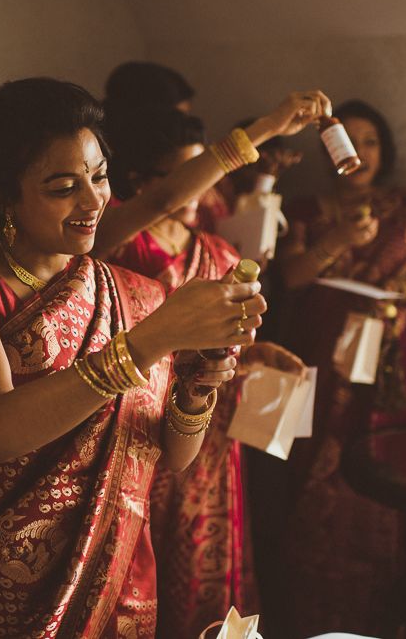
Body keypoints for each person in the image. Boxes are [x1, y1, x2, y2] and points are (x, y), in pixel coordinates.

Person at [0, 77, 268, 637]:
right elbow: (1, 429)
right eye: (63, 187)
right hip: (6, 582)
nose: (93, 201)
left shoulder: (136, 294)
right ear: (1, 194)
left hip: (119, 568)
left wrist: (200, 381)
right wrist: (149, 342)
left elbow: (174, 456)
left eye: (100, 175)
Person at [104, 104, 305, 635]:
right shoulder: (121, 247)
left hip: (211, 437)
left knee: (202, 556)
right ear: (142, 183)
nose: (203, 193)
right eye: (192, 177)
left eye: (209, 179)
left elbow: (225, 350)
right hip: (138, 425)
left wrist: (254, 357)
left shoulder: (218, 252)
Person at [277, 99, 406, 637]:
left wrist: (397, 292)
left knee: (380, 476)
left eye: (369, 139)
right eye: (344, 141)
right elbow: (291, 280)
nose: (359, 152)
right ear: (328, 153)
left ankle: (381, 610)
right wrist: (338, 241)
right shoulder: (304, 212)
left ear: (385, 148)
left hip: (391, 368)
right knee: (309, 469)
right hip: (319, 361)